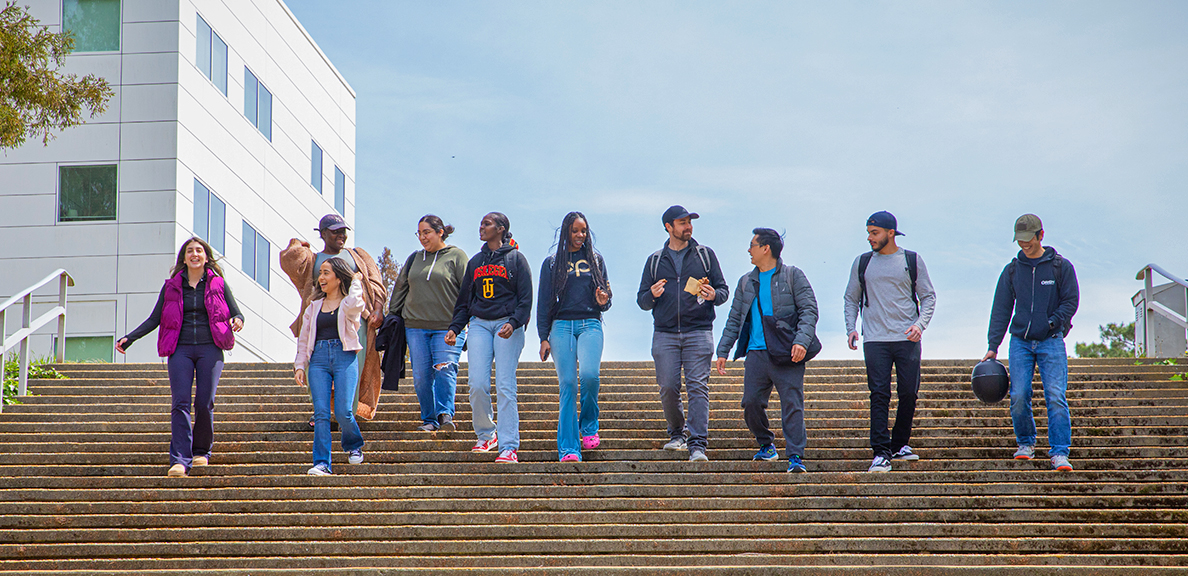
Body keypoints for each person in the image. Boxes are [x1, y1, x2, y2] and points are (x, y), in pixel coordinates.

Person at [116, 237, 244, 477]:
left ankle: (201, 453)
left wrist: (238, 321)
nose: (194, 254)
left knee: (205, 402)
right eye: (189, 251)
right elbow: (155, 318)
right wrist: (130, 337)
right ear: (183, 258)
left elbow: (237, 313)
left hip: (210, 348)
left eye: (199, 251)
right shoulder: (172, 286)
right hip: (180, 349)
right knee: (180, 403)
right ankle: (179, 460)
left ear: (206, 257)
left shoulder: (218, 283)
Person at [716, 228, 818, 473]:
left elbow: (809, 311)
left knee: (792, 405)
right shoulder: (746, 281)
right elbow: (734, 319)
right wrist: (723, 350)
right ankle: (766, 444)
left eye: (752, 245)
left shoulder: (793, 276)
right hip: (756, 353)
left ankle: (795, 457)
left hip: (786, 352)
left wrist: (801, 342)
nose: (748, 250)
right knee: (751, 403)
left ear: (766, 248)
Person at [983, 214, 1079, 471]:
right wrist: (993, 345)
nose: (1024, 245)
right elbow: (1001, 309)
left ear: (1041, 235)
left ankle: (1060, 452)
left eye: (1028, 240)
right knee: (1019, 394)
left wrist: (1051, 323)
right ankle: (1025, 443)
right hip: (1021, 343)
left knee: (1056, 396)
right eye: (1020, 240)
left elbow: (1071, 301)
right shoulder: (1012, 270)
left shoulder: (1061, 267)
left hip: (1051, 341)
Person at [843, 211, 936, 473]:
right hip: (875, 339)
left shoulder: (911, 260)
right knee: (879, 394)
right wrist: (851, 328)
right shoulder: (862, 263)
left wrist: (920, 325)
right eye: (868, 232)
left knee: (908, 393)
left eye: (875, 232)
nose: (869, 238)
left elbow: (928, 296)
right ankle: (881, 452)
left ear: (890, 233)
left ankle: (900, 445)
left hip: (906, 337)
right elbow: (851, 298)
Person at [636, 205, 729, 462]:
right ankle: (678, 433)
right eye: (682, 222)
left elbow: (723, 290)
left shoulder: (705, 255)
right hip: (664, 334)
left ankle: (697, 444)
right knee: (668, 387)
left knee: (698, 386)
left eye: (689, 222)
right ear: (668, 226)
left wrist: (714, 295)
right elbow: (641, 300)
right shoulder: (655, 260)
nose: (688, 226)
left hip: (699, 331)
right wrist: (651, 295)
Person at [279, 214, 387, 422]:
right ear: (323, 234)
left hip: (355, 320)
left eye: (343, 231)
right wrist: (298, 245)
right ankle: (323, 411)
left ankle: (348, 412)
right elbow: (289, 260)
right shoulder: (313, 259)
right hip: (320, 320)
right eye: (335, 231)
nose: (341, 235)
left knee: (354, 366)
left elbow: (376, 282)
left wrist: (378, 309)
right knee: (317, 366)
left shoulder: (358, 256)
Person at [446, 212, 532, 464]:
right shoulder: (475, 263)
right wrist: (455, 327)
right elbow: (464, 302)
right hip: (479, 325)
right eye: (481, 223)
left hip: (507, 325)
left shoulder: (517, 259)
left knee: (505, 386)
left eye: (487, 224)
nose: (481, 227)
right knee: (477, 384)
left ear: (501, 228)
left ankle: (508, 447)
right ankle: (486, 434)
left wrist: (514, 322)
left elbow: (526, 300)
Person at [538, 211, 612, 462]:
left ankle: (589, 426)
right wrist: (543, 337)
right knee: (568, 384)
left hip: (590, 323)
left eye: (584, 231)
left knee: (589, 376)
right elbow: (543, 303)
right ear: (566, 232)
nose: (580, 235)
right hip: (561, 326)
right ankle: (569, 448)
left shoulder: (596, 259)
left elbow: (605, 298)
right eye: (575, 230)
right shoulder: (551, 263)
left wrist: (603, 301)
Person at [388, 215, 469, 432]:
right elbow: (400, 288)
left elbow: (468, 292)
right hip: (415, 326)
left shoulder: (457, 256)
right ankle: (429, 419)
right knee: (422, 376)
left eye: (427, 232)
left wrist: (464, 322)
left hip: (448, 326)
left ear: (440, 232)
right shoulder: (415, 258)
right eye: (419, 233)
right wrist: (391, 315)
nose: (422, 237)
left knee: (445, 370)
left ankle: (445, 415)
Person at [294, 257, 367, 475]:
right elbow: (304, 338)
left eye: (326, 273)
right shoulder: (313, 307)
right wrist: (300, 365)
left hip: (344, 356)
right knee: (321, 413)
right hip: (318, 360)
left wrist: (355, 281)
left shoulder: (348, 304)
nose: (321, 278)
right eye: (321, 273)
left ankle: (354, 445)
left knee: (344, 411)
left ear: (338, 277)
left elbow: (356, 304)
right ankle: (322, 463)